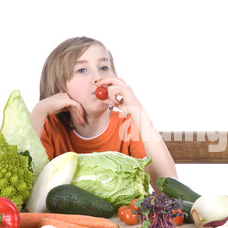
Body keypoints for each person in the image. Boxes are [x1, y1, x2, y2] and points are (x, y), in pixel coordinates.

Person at [31, 36, 177, 193]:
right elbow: (23, 186)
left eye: (104, 68)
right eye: (81, 70)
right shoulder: (48, 127)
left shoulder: (128, 127)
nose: (98, 77)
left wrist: (137, 110)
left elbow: (169, 190)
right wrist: (39, 111)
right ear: (58, 88)